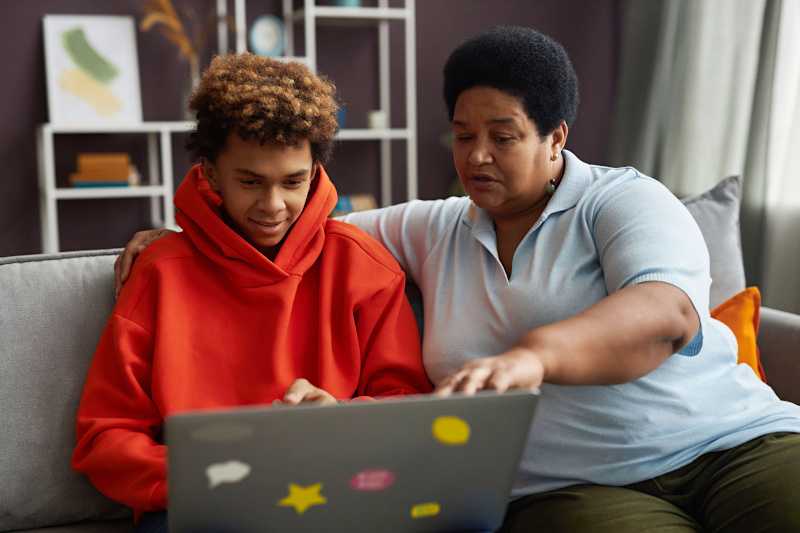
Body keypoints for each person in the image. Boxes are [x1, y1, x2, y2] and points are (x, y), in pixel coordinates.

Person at [115, 27, 800, 532]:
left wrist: (532, 356)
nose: (477, 156)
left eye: (503, 136)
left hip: (736, 442)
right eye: (462, 133)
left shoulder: (621, 200)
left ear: (556, 137)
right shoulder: (432, 226)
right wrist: (181, 232)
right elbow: (297, 223)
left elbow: (666, 313)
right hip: (571, 489)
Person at [72, 53, 432, 532]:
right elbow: (106, 435)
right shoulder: (159, 273)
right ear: (212, 172)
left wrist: (343, 420)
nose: (272, 205)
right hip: (199, 506)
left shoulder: (361, 265)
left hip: (331, 497)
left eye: (293, 182)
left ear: (316, 173)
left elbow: (410, 407)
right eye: (250, 182)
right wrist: (205, 478)